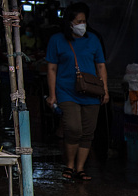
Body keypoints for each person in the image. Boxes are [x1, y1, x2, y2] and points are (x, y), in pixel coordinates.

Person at [46, 3, 108, 183]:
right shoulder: (57, 40)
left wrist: (104, 90)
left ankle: (80, 168)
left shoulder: (93, 39)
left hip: (92, 91)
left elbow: (101, 66)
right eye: (78, 21)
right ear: (69, 23)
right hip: (66, 91)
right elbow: (51, 69)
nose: (82, 24)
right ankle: (70, 165)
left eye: (84, 21)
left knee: (88, 132)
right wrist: (52, 95)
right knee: (73, 128)